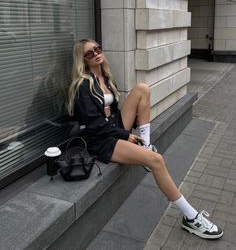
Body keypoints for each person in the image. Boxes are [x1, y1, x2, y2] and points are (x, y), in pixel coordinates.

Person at [68, 38, 223, 240]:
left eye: (98, 48)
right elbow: (95, 125)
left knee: (143, 88)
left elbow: (111, 113)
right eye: (90, 53)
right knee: (157, 161)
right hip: (101, 141)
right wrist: (124, 135)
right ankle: (191, 218)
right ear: (83, 60)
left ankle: (146, 143)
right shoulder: (82, 86)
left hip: (112, 128)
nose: (96, 53)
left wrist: (123, 129)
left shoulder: (105, 77)